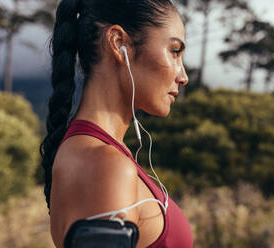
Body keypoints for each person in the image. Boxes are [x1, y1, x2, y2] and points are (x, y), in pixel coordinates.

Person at [39, 0, 192, 247]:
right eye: (174, 51)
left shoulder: (94, 154)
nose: (182, 76)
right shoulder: (104, 166)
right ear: (118, 43)